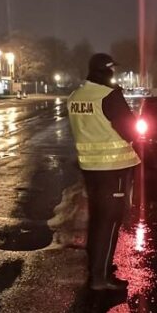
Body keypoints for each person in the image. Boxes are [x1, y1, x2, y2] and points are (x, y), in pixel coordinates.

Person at [67, 53, 141, 291]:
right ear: (108, 70)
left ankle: (97, 270)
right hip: (114, 169)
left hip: (90, 169)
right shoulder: (109, 95)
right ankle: (101, 278)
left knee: (97, 220)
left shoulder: (75, 97)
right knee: (109, 222)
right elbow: (130, 130)